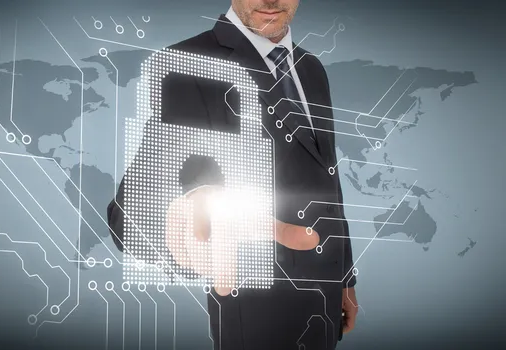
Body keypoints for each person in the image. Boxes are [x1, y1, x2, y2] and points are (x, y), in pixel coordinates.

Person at [107, 0, 358, 348]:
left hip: (325, 296)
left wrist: (345, 276)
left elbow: (327, 177)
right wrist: (186, 214)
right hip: (255, 303)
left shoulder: (311, 68)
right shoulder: (189, 64)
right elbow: (130, 211)